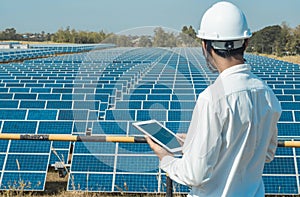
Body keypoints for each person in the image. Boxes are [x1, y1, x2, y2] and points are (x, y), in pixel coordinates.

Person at [146, 1, 282, 196]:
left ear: (205, 45)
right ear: (246, 42)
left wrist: (165, 158)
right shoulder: (266, 94)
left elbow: (195, 174)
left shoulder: (212, 99)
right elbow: (266, 154)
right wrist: (193, 142)